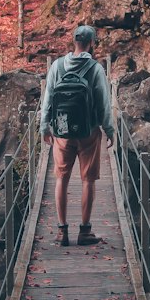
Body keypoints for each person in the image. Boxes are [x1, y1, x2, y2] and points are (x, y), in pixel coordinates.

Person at [40, 25, 114, 246]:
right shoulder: (95, 69)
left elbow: (48, 98)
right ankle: (85, 231)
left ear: (74, 42)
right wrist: (109, 130)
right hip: (89, 132)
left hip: (61, 132)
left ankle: (62, 232)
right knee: (87, 181)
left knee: (61, 178)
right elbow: (104, 104)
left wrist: (45, 127)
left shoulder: (57, 66)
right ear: (92, 43)